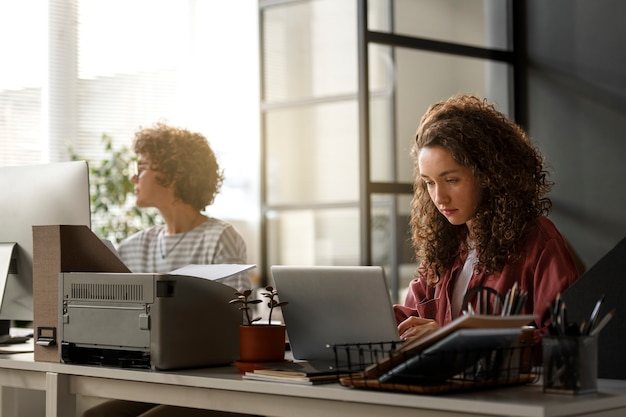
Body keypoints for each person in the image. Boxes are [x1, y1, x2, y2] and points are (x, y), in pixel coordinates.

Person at [83, 122, 252, 417]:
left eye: (143, 167)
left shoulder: (219, 237)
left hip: (208, 381)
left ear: (174, 175)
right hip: (153, 377)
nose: (134, 176)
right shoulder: (133, 246)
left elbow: (240, 318)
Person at [394, 94, 580, 344]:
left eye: (451, 180)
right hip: (445, 382)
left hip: (512, 384)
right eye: (429, 183)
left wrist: (453, 338)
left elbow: (561, 338)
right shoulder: (446, 247)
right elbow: (414, 318)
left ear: (488, 175)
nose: (439, 197)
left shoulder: (539, 243)